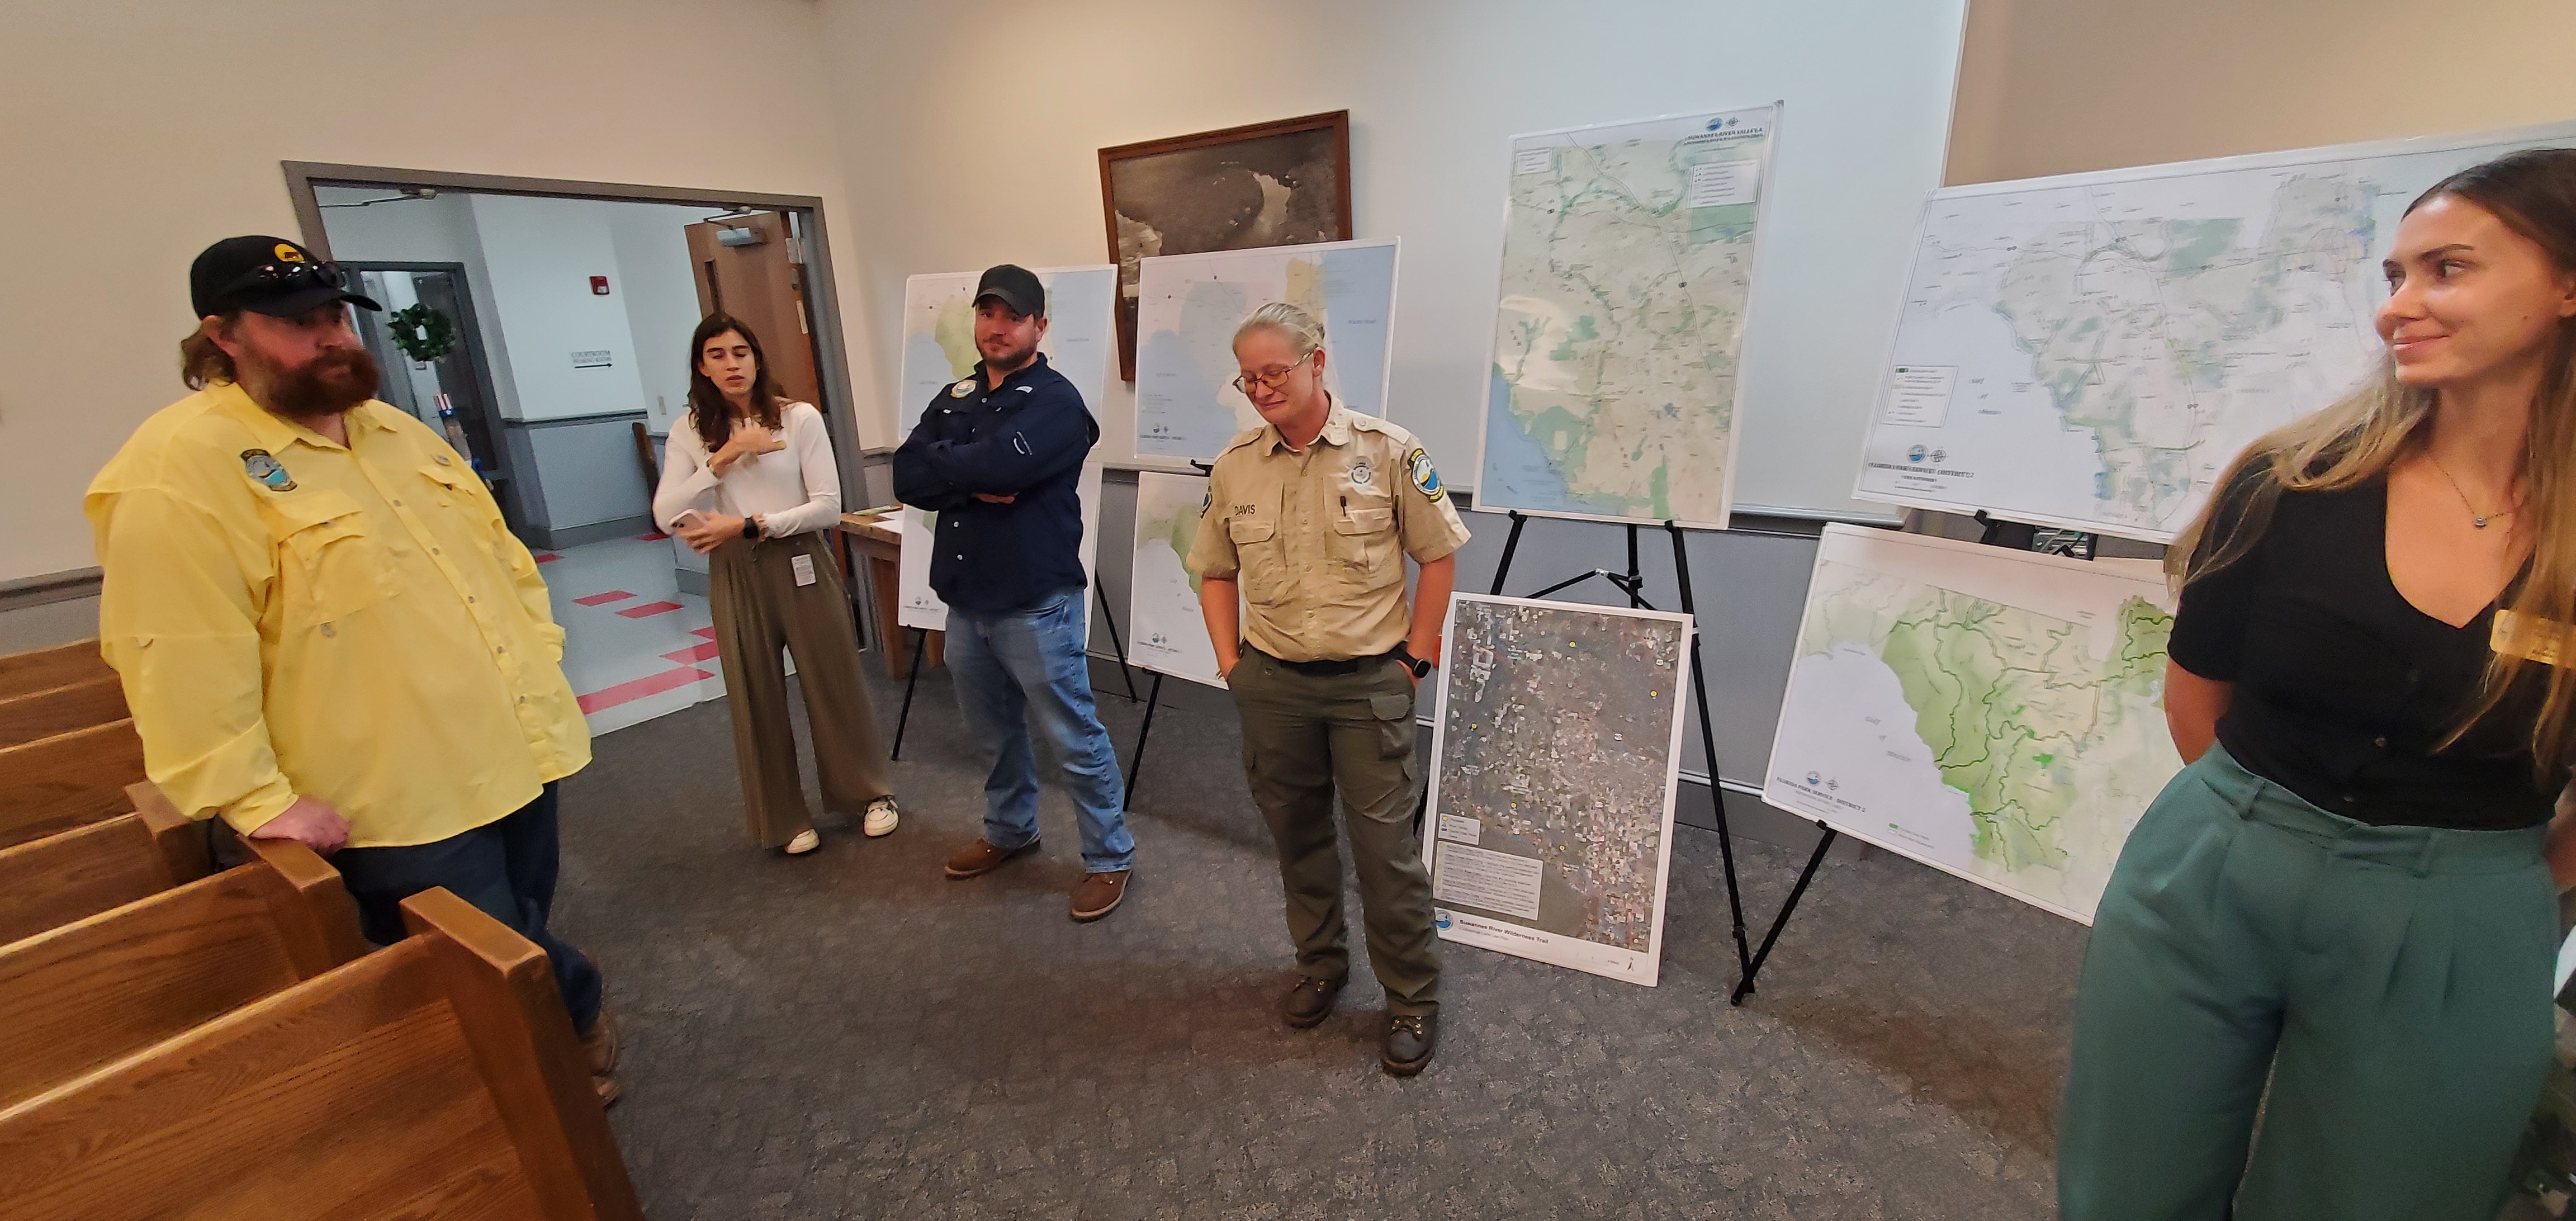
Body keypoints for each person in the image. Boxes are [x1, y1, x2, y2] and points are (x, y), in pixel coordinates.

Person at [2059, 149, 2576, 1220]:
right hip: (2215, 861)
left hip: (2458, 913)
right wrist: (2269, 842)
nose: (2402, 306)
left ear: (2564, 284)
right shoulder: (2294, 477)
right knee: (2126, 1185)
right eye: (2394, 277)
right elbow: (2194, 696)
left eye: (2446, 269)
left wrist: (2484, 893)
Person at [88, 235, 622, 1102]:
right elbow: (172, 656)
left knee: (520, 927)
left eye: (335, 315)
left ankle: (551, 1035)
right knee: (484, 957)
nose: (330, 338)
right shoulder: (177, 470)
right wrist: (258, 799)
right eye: (298, 324)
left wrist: (540, 667)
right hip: (391, 793)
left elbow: (507, 567)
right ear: (222, 336)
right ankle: (553, 1060)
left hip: (513, 749)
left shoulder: (398, 435)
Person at [1188, 302, 1470, 1077]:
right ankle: (1321, 965)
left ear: (1317, 361)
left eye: (1274, 371)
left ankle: (1411, 998)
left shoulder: (1388, 451)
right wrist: (1230, 664)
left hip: (1366, 685)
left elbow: (1438, 554)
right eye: (1248, 378)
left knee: (1386, 853)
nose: (1261, 389)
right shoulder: (1236, 464)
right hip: (1273, 683)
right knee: (1298, 839)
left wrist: (1415, 658)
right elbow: (1213, 568)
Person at [891, 264, 1135, 921]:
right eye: (987, 314)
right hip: (967, 601)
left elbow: (1003, 464)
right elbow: (907, 474)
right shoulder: (956, 395)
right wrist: (971, 480)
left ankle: (1109, 858)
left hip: (1035, 602)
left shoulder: (1056, 401)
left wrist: (960, 469)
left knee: (1072, 735)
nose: (997, 328)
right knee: (992, 734)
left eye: (1013, 317)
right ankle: (1009, 831)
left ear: (1039, 326)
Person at [654, 314, 900, 856]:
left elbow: (828, 509)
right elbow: (665, 512)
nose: (731, 363)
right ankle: (785, 818)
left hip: (797, 557)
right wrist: (721, 460)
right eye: (717, 354)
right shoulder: (689, 431)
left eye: (741, 351)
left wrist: (751, 523)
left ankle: (868, 796)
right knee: (754, 694)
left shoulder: (798, 418)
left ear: (758, 358)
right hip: (736, 571)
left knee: (833, 682)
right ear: (702, 366)